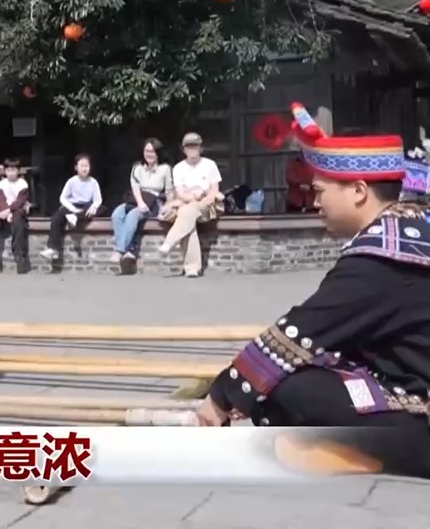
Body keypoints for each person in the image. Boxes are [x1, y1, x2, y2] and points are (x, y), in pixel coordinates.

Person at [197, 104, 430, 479]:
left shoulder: (380, 258)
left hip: (421, 409)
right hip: (406, 381)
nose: (315, 200)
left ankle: (372, 456)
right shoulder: (411, 227)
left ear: (358, 191)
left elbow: (300, 332)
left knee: (280, 384)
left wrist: (222, 396)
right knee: (289, 371)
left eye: (320, 190)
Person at [156, 132, 223, 277]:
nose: (192, 150)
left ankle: (169, 242)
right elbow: (180, 193)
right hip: (187, 204)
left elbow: (214, 191)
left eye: (195, 146)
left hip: (207, 205)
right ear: (184, 149)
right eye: (188, 147)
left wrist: (203, 197)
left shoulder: (210, 165)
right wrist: (193, 196)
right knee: (187, 218)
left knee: (186, 211)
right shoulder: (178, 168)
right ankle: (192, 269)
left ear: (200, 148)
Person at [110, 138, 173, 268]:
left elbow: (169, 191)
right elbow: (135, 187)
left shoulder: (165, 169)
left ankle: (119, 250)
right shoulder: (137, 167)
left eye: (152, 151)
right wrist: (140, 202)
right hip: (137, 199)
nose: (149, 154)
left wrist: (167, 207)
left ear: (158, 153)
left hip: (154, 202)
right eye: (147, 151)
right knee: (117, 214)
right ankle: (130, 250)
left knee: (133, 215)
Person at [40, 154, 102, 263]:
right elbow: (62, 198)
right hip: (72, 206)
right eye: (82, 166)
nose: (85, 168)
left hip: (86, 206)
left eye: (87, 166)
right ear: (76, 167)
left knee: (101, 209)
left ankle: (74, 217)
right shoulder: (72, 181)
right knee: (56, 218)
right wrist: (73, 210)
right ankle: (53, 248)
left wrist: (94, 206)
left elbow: (98, 199)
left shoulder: (93, 182)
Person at [0, 159, 31, 274]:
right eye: (8, 170)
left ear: (18, 171)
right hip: (4, 209)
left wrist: (9, 211)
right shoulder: (2, 183)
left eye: (13, 170)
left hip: (18, 209)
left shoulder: (22, 184)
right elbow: (0, 199)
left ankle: (19, 255)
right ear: (5, 171)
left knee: (18, 223)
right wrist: (4, 211)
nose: (11, 173)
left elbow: (20, 201)